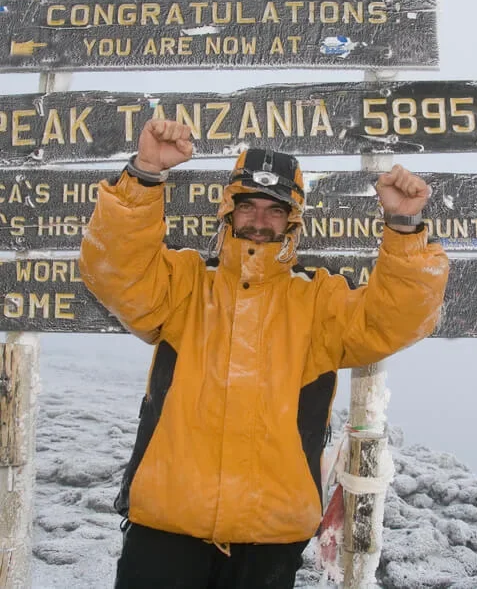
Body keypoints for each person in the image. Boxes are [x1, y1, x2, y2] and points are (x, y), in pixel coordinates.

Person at [79, 119, 449, 589]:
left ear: (292, 219)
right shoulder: (184, 285)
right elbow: (114, 271)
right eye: (248, 206)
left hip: (269, 538)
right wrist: (147, 172)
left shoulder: (319, 302)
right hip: (166, 528)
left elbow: (396, 320)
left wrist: (404, 227)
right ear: (228, 212)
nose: (259, 220)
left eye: (274, 210)